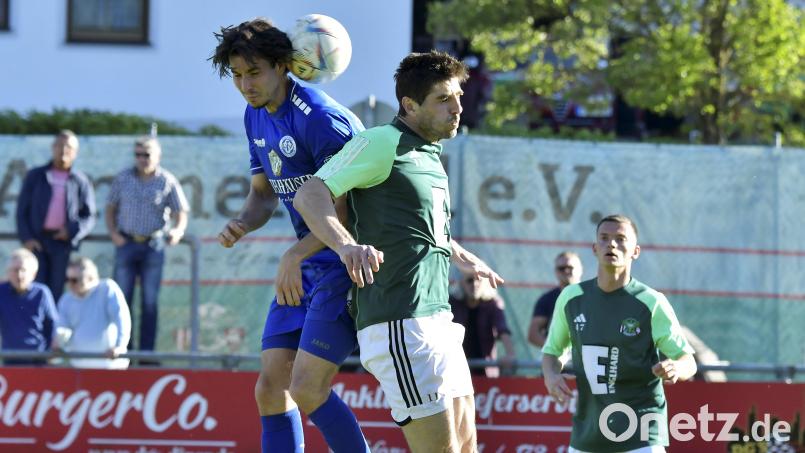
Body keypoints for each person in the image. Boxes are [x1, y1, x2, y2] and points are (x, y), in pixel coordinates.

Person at [294, 50, 504, 453]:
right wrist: (346, 245)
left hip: (438, 319)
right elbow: (310, 194)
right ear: (409, 105)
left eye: (459, 96)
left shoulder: (428, 154)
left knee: (465, 448)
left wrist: (461, 257)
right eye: (444, 99)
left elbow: (414, 227)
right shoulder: (380, 142)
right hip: (400, 323)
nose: (458, 108)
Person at [209, 17, 369, 453]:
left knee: (306, 388)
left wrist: (294, 255)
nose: (245, 85)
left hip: (347, 262)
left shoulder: (319, 119)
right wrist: (243, 221)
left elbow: (347, 216)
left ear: (283, 66)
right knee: (270, 387)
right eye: (237, 76)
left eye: (254, 72)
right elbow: (262, 194)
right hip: (306, 261)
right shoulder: (254, 115)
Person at [542, 214, 697, 453]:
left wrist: (676, 368)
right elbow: (552, 352)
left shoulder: (651, 302)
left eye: (620, 239)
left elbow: (688, 360)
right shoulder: (571, 298)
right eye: (604, 238)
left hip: (642, 433)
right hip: (588, 435)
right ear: (595, 248)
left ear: (635, 251)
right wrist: (551, 376)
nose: (611, 244)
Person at [105, 136, 189, 354]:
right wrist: (113, 233)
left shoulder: (167, 180)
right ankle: (124, 351)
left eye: (147, 154)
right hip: (126, 243)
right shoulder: (123, 178)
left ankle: (146, 354)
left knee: (150, 303)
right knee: (123, 301)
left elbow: (181, 212)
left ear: (157, 156)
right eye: (138, 154)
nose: (142, 159)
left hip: (153, 245)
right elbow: (110, 207)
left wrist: (178, 231)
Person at [16, 130, 96, 301]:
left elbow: (89, 216)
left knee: (56, 292)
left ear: (75, 152)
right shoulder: (36, 176)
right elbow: (22, 211)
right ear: (53, 147)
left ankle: (53, 327)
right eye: (60, 145)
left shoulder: (80, 180)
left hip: (62, 244)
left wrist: (71, 231)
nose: (63, 150)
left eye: (69, 147)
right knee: (33, 290)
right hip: (36, 243)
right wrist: (27, 238)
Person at [52, 257, 131, 369]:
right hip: (79, 370)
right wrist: (58, 344)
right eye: (67, 279)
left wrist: (120, 347)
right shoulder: (66, 300)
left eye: (74, 280)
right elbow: (62, 330)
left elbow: (122, 320)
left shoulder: (107, 289)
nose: (70, 284)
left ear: (90, 278)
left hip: (110, 367)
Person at [449, 269, 516, 378]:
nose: (475, 284)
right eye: (470, 280)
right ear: (461, 282)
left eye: (478, 280)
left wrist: (510, 354)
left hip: (486, 372)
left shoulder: (493, 304)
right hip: (456, 371)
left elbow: (502, 330)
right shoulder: (452, 304)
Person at [0, 248, 58, 365]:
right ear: (8, 272)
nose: (19, 275)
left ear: (33, 274)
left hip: (38, 359)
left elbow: (52, 324)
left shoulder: (42, 292)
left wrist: (52, 350)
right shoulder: (1, 291)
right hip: (10, 358)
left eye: (23, 270)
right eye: (15, 270)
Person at [528, 251, 583, 349]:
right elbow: (533, 334)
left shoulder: (592, 296)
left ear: (580, 269)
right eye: (561, 268)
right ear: (555, 271)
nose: (566, 271)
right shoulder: (547, 299)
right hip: (558, 358)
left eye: (570, 267)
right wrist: (554, 350)